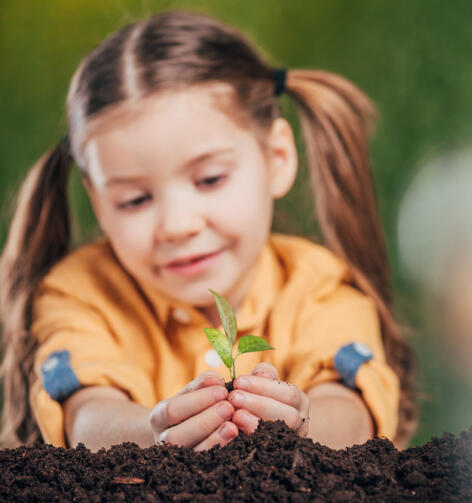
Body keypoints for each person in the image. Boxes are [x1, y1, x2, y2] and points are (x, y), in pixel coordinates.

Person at [0, 10, 417, 451]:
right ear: (98, 204)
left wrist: (302, 430)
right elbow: (84, 414)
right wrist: (154, 432)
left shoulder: (320, 286)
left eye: (210, 179)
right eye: (135, 200)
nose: (178, 225)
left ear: (277, 158)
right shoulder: (79, 293)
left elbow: (351, 410)